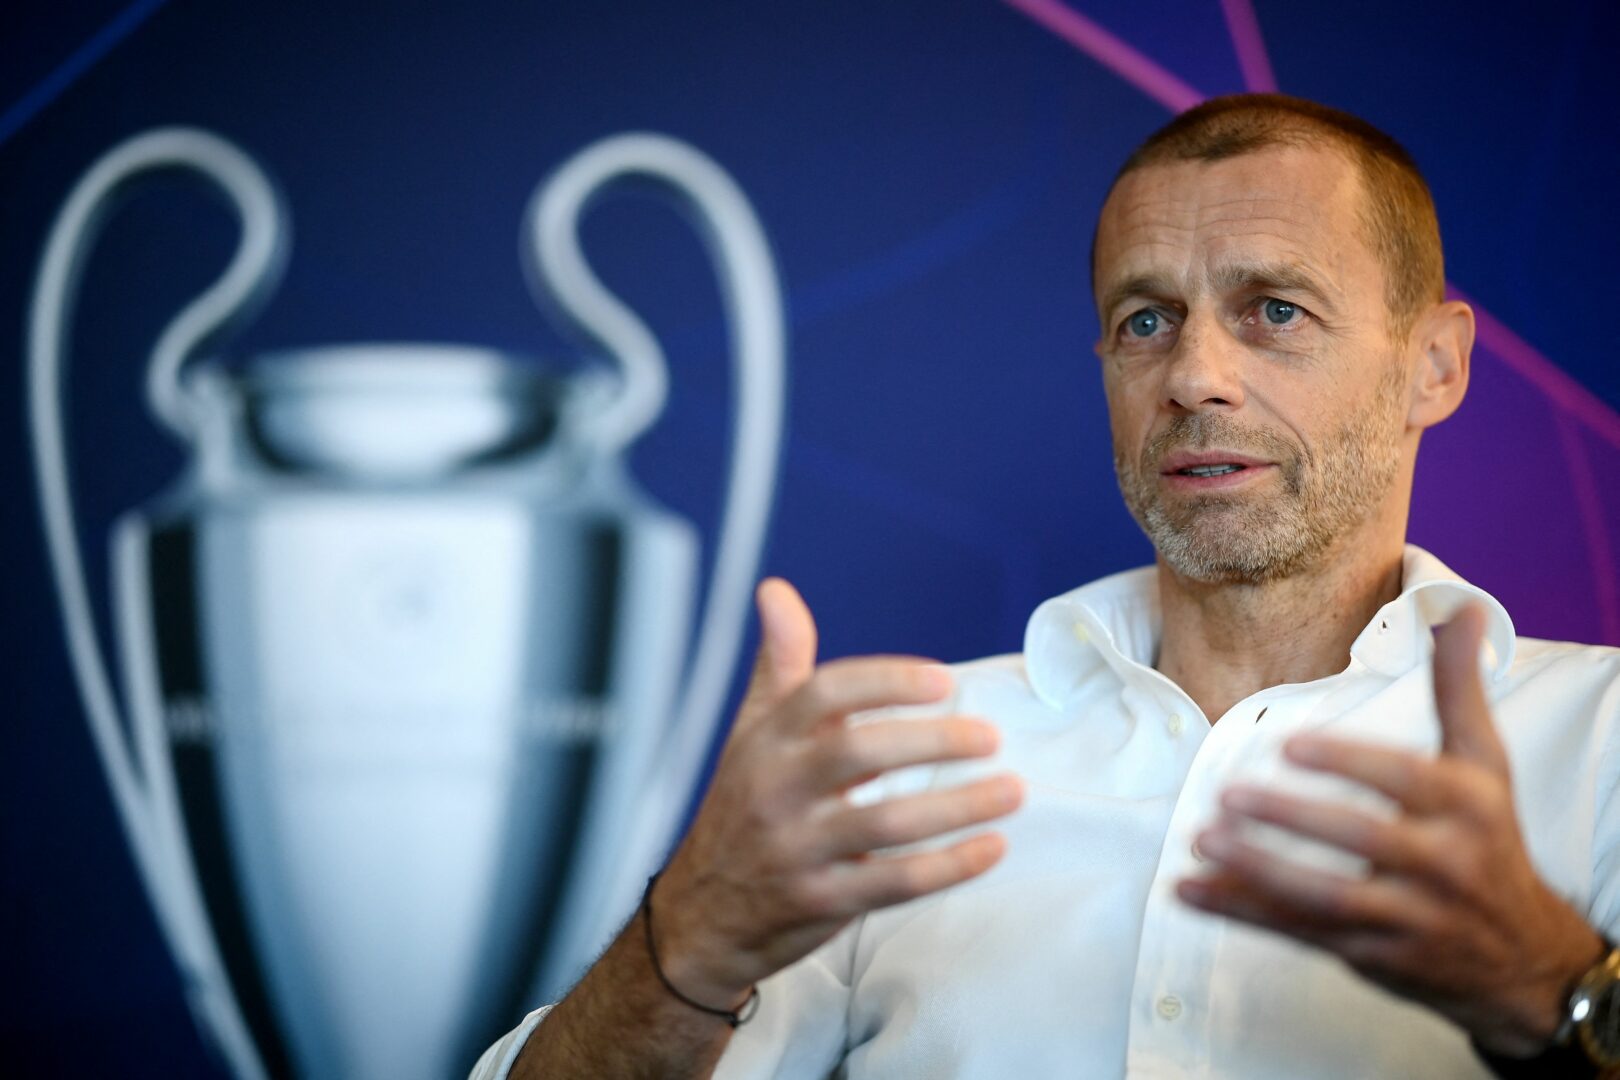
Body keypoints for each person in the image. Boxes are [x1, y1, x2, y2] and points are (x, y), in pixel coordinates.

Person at [471, 93, 1620, 1078]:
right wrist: (692, 937)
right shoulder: (905, 772)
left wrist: (1554, 991)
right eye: (1146, 321)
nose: (1194, 376)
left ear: (1435, 366)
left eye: (1276, 310)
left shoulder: (1602, 739)